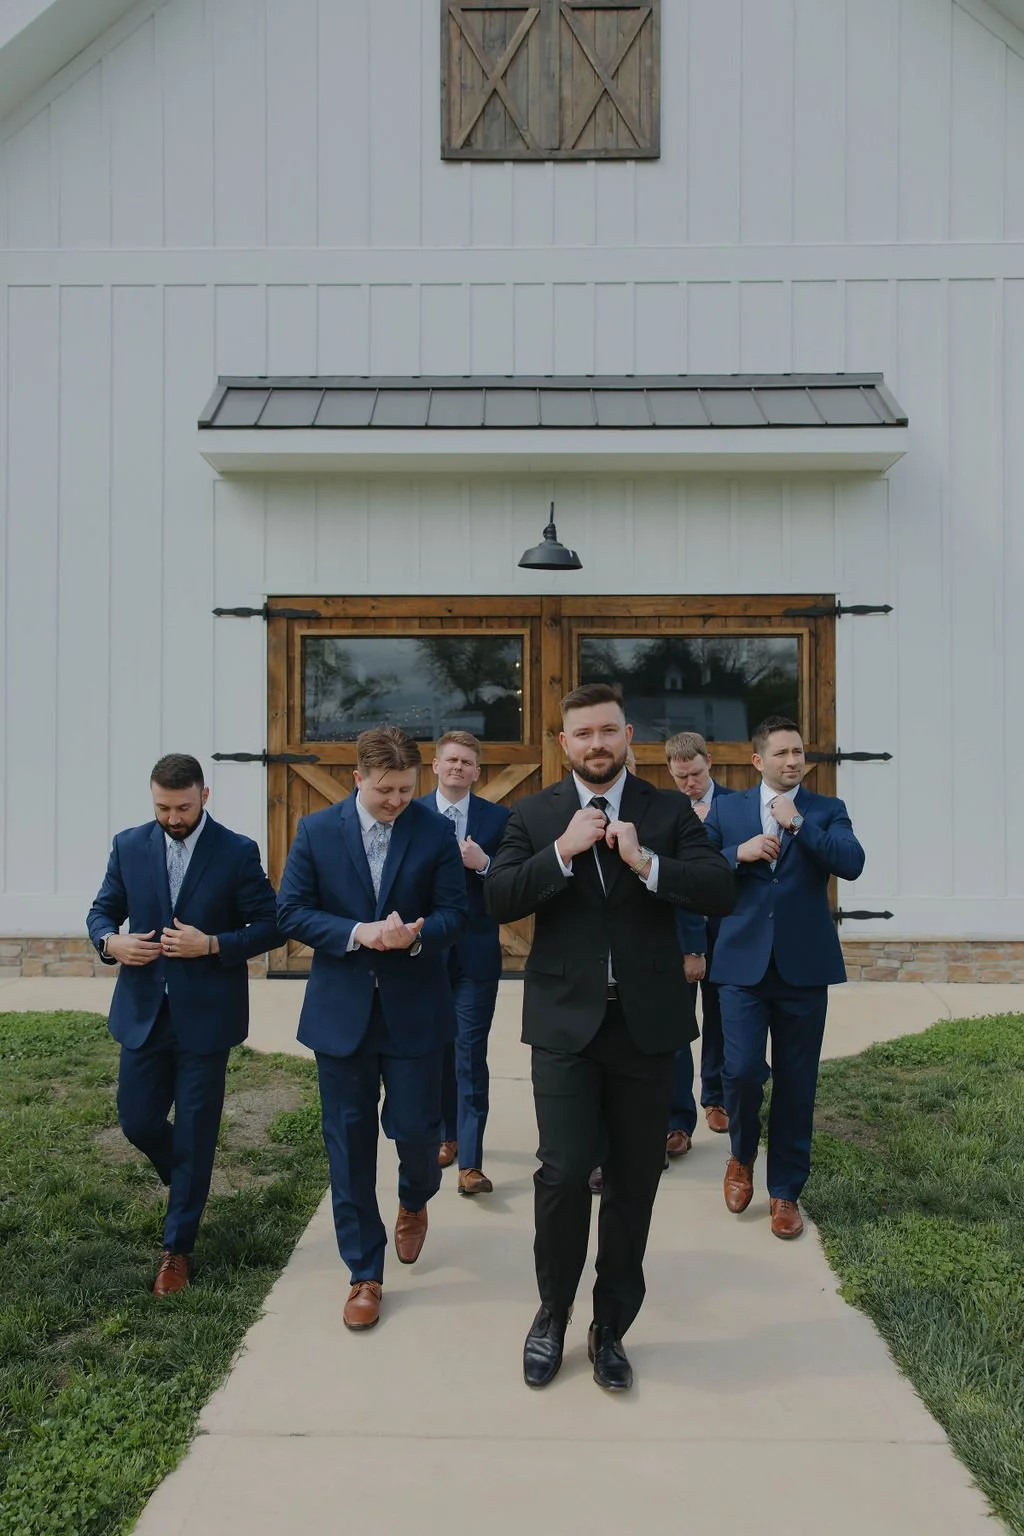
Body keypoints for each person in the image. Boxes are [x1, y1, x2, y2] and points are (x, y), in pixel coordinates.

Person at [485, 684, 734, 1392]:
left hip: (646, 1027)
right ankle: (553, 1313)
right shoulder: (534, 815)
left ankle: (611, 1327)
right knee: (564, 1173)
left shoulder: (667, 811)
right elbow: (497, 898)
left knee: (633, 1180)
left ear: (628, 736)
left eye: (607, 731)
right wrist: (561, 853)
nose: (596, 744)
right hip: (565, 1024)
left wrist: (646, 863)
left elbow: (719, 889)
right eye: (583, 734)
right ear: (564, 744)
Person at [276, 726, 466, 1332]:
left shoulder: (434, 831)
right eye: (385, 790)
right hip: (341, 1017)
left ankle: (415, 1198)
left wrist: (416, 936)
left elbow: (456, 913)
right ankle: (364, 1272)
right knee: (349, 1145)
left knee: (418, 1132)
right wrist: (359, 933)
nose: (396, 801)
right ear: (357, 778)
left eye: (406, 790)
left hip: (415, 1010)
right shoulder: (315, 831)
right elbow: (291, 911)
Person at [86, 754, 281, 1295]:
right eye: (163, 808)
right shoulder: (129, 845)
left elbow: (272, 925)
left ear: (204, 796)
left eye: (183, 807)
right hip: (143, 1014)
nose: (173, 818)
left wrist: (212, 944)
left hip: (207, 1018)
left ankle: (177, 1249)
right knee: (137, 1121)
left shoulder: (237, 851)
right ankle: (190, 1179)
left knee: (196, 1131)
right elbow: (102, 911)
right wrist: (111, 942)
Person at [704, 716, 865, 1240]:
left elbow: (852, 862)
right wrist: (738, 853)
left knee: (797, 1082)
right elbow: (697, 869)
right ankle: (741, 1156)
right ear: (758, 760)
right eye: (782, 753)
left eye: (799, 752)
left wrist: (798, 824)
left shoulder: (826, 809)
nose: (793, 760)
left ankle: (786, 1192)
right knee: (741, 1072)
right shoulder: (727, 810)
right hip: (741, 967)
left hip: (804, 969)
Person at [417, 731, 509, 1196]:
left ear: (477, 771)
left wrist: (484, 862)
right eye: (451, 760)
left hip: (475, 955)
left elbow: (514, 884)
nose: (458, 767)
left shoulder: (499, 819)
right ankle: (445, 1135)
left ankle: (471, 1162)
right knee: (435, 1051)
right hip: (425, 955)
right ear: (435, 765)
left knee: (470, 1054)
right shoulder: (412, 814)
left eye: (467, 762)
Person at [664, 731, 735, 1157]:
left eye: (695, 774)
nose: (689, 784)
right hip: (680, 930)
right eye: (681, 777)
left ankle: (717, 1096)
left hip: (727, 930)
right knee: (677, 1025)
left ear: (709, 762)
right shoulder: (666, 811)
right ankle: (677, 1118)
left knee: (722, 1017)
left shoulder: (736, 804)